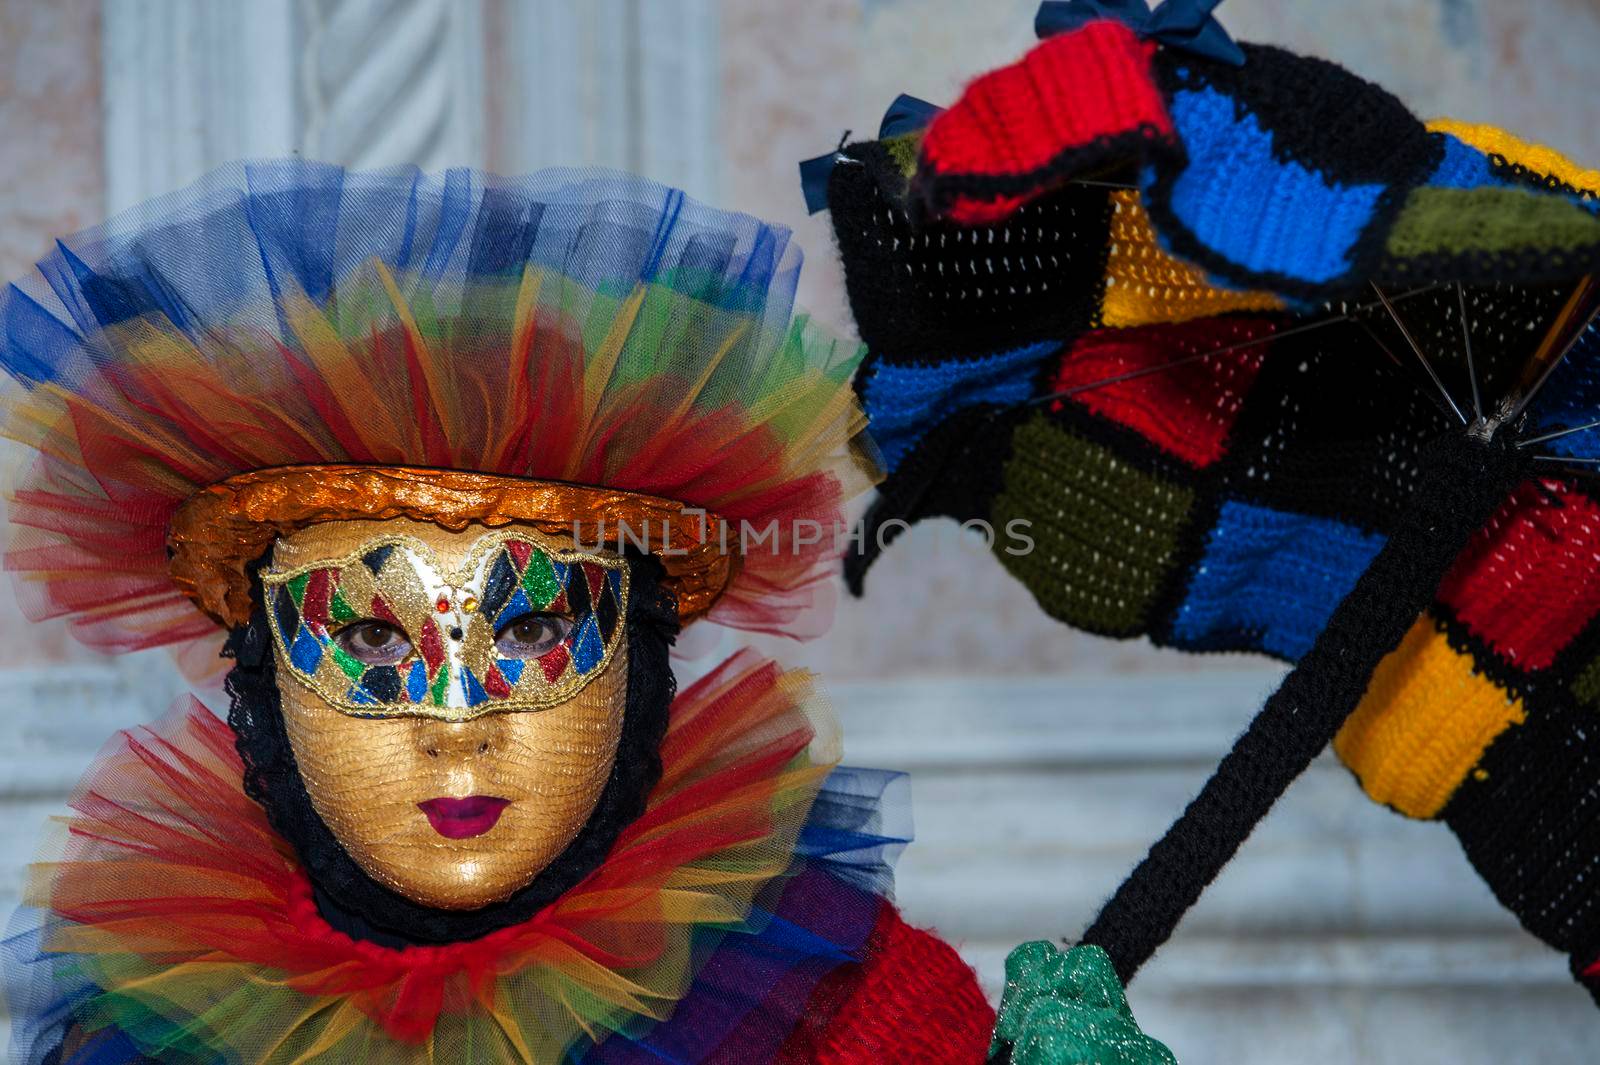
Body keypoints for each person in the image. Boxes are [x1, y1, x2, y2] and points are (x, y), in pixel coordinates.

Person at [0, 162, 998, 1064]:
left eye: (530, 629)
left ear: (640, 656)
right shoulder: (154, 1030)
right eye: (368, 636)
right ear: (262, 672)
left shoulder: (829, 1008)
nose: (459, 727)